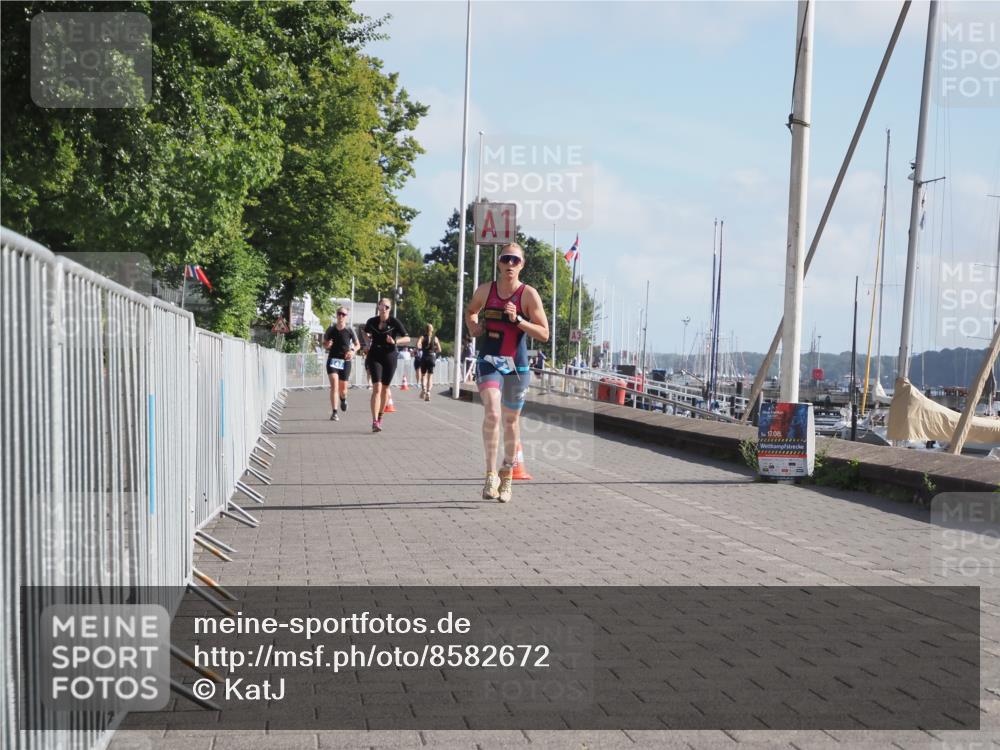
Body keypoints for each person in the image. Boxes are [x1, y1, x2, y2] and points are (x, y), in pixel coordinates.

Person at [465, 243, 549, 503]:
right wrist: (473, 327)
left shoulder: (528, 295)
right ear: (499, 262)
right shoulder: (485, 290)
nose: (510, 264)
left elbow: (544, 333)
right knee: (492, 413)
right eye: (506, 259)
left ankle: (507, 474)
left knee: (511, 421)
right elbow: (471, 311)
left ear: (522, 265)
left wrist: (519, 320)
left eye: (515, 260)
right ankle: (490, 475)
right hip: (489, 360)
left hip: (517, 365)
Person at [363, 298, 410, 432]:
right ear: (378, 306)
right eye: (382, 306)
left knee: (385, 388)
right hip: (375, 355)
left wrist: (395, 341)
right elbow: (364, 332)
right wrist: (367, 342)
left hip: (389, 356)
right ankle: (374, 421)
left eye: (387, 307)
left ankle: (379, 417)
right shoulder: (372, 321)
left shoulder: (394, 322)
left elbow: (407, 337)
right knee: (377, 387)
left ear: (390, 309)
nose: (384, 308)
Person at [323, 306, 359, 421]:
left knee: (343, 390)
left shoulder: (349, 330)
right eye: (339, 313)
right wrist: (327, 345)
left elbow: (357, 345)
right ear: (336, 314)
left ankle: (343, 399)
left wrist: (352, 351)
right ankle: (334, 412)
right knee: (334, 385)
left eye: (343, 314)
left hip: (345, 361)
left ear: (346, 317)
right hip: (333, 360)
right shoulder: (331, 329)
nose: (341, 316)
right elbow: (324, 343)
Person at [415, 324, 441, 401]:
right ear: (432, 330)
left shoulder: (422, 337)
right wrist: (434, 350)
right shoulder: (435, 338)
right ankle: (428, 392)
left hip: (424, 357)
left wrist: (421, 347)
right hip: (432, 357)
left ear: (425, 329)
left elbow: (417, 345)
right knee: (430, 376)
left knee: (423, 375)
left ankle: (423, 389)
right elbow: (439, 349)